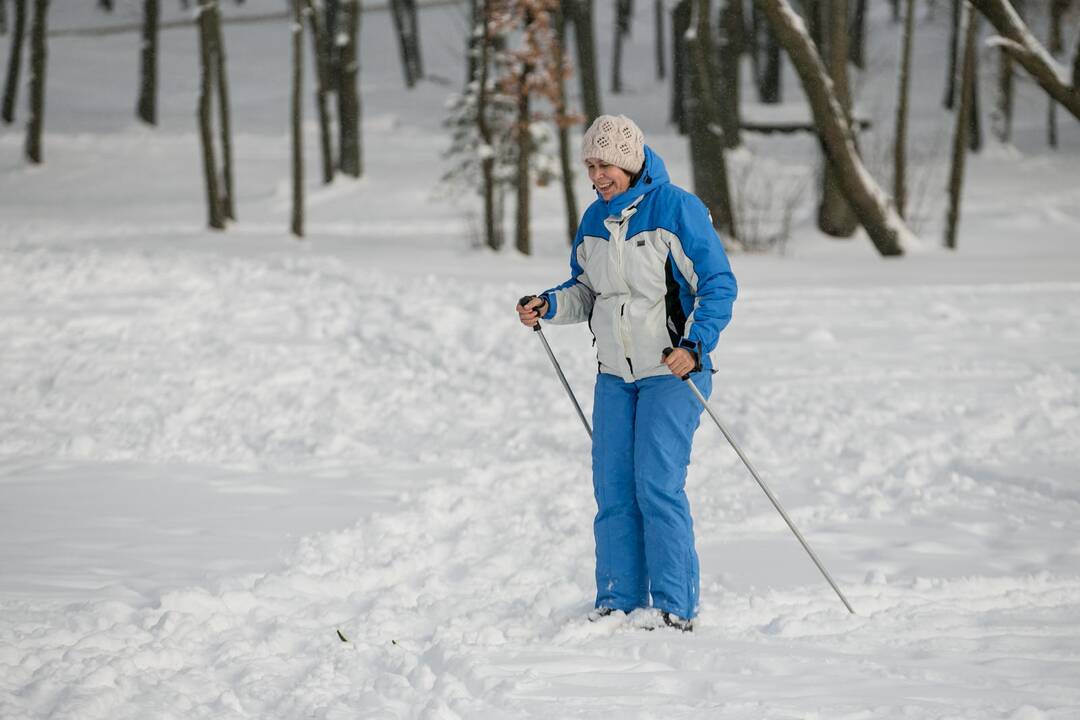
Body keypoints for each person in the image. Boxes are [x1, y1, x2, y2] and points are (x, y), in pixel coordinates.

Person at [516, 115, 737, 632]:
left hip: (671, 370)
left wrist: (695, 345)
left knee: (656, 486)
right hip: (615, 374)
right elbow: (587, 290)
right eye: (590, 165)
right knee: (613, 487)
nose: (597, 175)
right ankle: (618, 598)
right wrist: (547, 304)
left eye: (605, 164)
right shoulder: (594, 219)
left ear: (631, 160)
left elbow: (718, 284)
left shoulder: (676, 209)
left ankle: (674, 606)